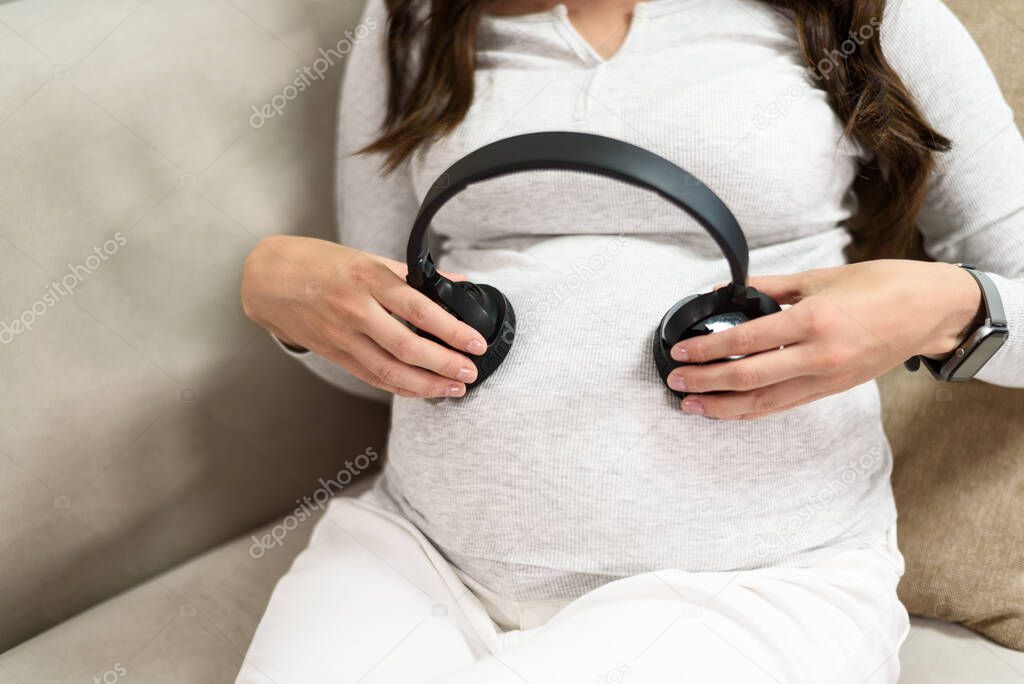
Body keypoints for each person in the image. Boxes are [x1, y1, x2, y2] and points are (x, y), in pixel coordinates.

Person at [236, 0, 1024, 681]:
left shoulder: (872, 15)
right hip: (418, 557)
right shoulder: (413, 18)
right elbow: (380, 358)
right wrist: (286, 305)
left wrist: (945, 306)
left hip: (752, 583)